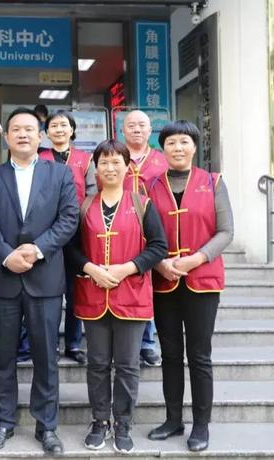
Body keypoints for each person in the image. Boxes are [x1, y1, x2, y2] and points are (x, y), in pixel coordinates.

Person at [0, 107, 79, 455]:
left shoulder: (59, 174)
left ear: (40, 136)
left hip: (45, 278)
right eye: (16, 129)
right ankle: (2, 423)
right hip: (3, 278)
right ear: (5, 137)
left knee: (46, 358)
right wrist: (7, 255)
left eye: (29, 129)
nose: (22, 134)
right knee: (3, 358)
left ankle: (46, 426)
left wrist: (36, 250)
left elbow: (69, 219)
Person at [70, 139, 167, 454]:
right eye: (104, 162)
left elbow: (158, 247)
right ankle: (100, 421)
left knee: (127, 365)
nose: (110, 168)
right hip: (93, 294)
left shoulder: (142, 203)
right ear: (96, 168)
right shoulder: (84, 205)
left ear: (128, 167)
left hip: (132, 295)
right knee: (97, 364)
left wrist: (127, 268)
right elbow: (70, 249)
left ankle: (123, 423)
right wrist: (91, 269)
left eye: (116, 162)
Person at [147, 120, 233, 452]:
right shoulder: (151, 185)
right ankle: (173, 419)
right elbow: (143, 233)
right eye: (171, 142)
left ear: (194, 147)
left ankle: (201, 424)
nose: (178, 148)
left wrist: (194, 259)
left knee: (199, 355)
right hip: (164, 280)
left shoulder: (213, 182)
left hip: (203, 280)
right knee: (170, 354)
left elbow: (225, 232)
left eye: (184, 142)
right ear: (163, 149)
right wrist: (160, 264)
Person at [41, 109, 97, 365]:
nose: (59, 129)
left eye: (64, 125)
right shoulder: (39, 158)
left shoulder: (86, 159)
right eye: (54, 126)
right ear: (46, 132)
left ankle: (73, 344)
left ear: (72, 130)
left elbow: (92, 194)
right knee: (49, 291)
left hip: (77, 233)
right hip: (46, 233)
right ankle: (49, 342)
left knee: (75, 293)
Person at [121, 109, 168, 367]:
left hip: (155, 229)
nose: (137, 129)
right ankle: (126, 343)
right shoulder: (115, 156)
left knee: (148, 285)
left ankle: (147, 343)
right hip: (122, 229)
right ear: (122, 130)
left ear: (150, 130)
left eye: (142, 125)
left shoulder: (162, 160)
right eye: (131, 125)